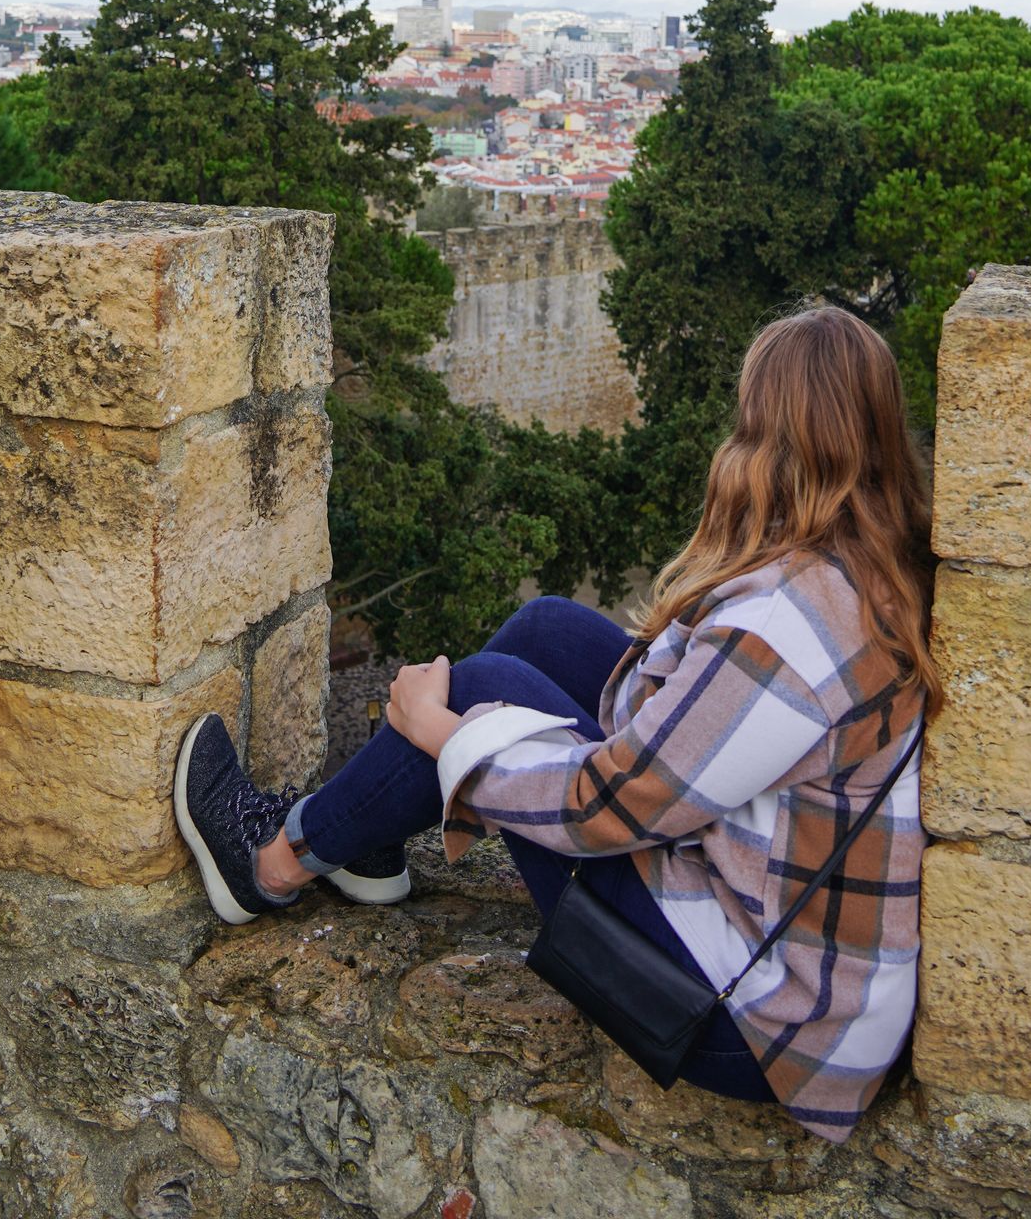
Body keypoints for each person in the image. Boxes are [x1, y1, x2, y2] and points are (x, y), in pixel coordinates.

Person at [174, 304, 941, 1144]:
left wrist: (441, 735)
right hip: (780, 938)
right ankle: (362, 838)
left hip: (753, 1021)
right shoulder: (872, 560)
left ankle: (271, 865)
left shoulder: (787, 633)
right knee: (548, 627)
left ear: (768, 437)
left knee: (487, 686)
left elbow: (602, 808)